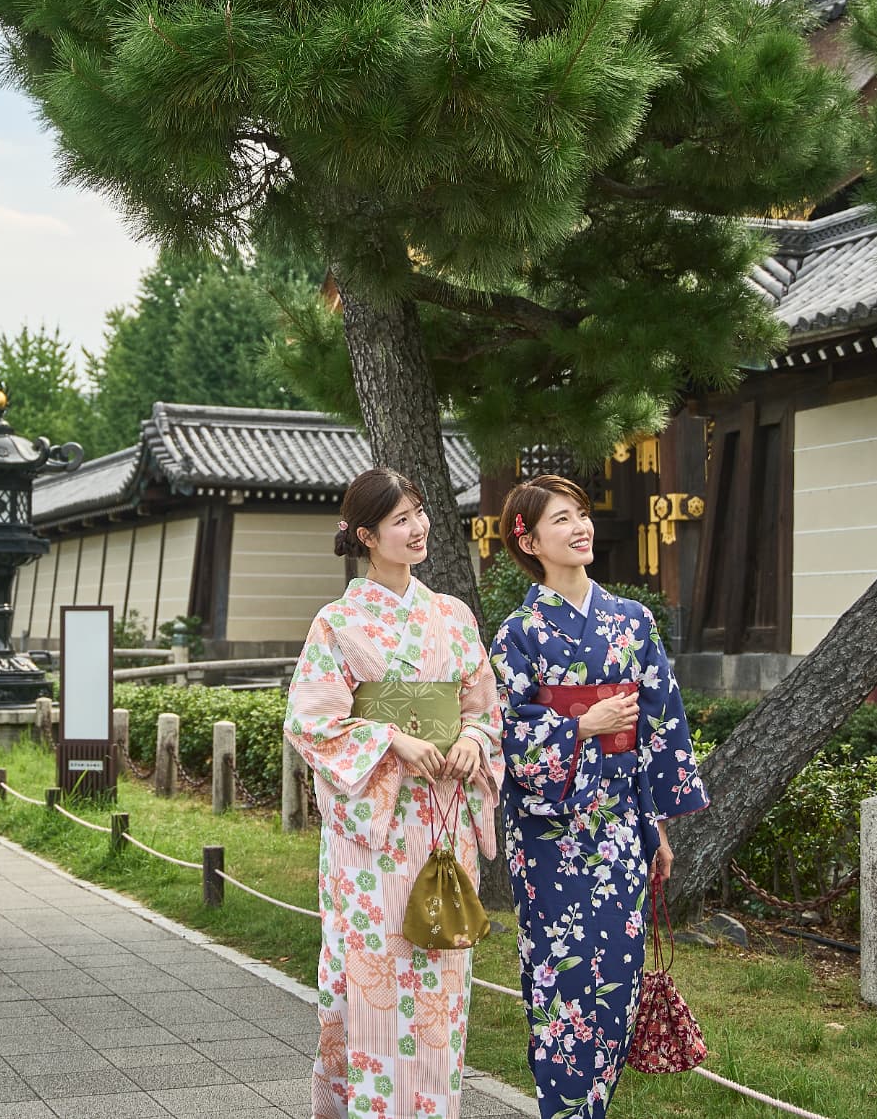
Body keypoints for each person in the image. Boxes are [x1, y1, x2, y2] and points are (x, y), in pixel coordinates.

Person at [284, 467, 504, 1119]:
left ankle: (434, 1109)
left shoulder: (453, 616)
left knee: (438, 981)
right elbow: (312, 718)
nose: (418, 527)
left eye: (420, 512)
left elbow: (484, 708)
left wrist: (471, 739)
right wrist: (388, 739)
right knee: (366, 979)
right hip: (372, 833)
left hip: (439, 822)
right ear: (366, 536)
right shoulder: (338, 621)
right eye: (400, 519)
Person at [491, 473, 708, 1119]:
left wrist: (658, 827)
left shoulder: (632, 620)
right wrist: (579, 725)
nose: (580, 527)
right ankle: (562, 1109)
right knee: (559, 973)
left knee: (616, 971)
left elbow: (660, 721)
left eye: (581, 514)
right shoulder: (518, 633)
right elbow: (502, 730)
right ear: (527, 538)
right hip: (550, 830)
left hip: (618, 822)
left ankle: (595, 1107)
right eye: (561, 519)